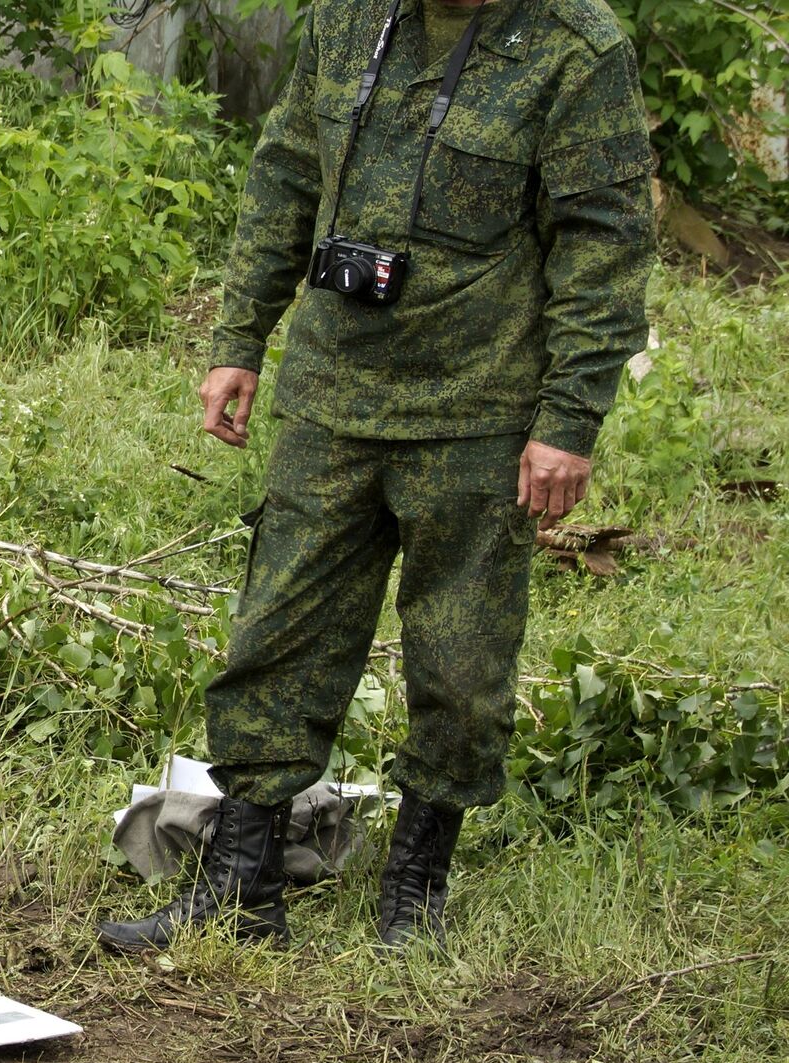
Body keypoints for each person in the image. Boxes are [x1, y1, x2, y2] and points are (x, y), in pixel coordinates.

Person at [98, 0, 656, 952]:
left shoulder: (575, 47)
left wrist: (569, 419)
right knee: (278, 631)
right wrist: (241, 338)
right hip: (332, 393)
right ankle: (242, 882)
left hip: (478, 410)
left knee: (461, 658)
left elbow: (603, 242)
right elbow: (285, 176)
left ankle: (416, 886)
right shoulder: (348, 17)